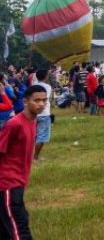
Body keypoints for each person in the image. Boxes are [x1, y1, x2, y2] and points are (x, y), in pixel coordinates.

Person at [0, 85, 47, 239]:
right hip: (7, 184)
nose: (41, 104)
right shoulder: (15, 124)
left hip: (19, 182)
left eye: (44, 100)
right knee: (20, 230)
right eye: (37, 100)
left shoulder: (32, 121)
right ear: (25, 101)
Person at [33, 70, 53, 162]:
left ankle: (31, 155)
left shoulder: (33, 86)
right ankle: (35, 157)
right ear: (45, 77)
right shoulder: (48, 87)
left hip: (33, 113)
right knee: (42, 136)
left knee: (34, 135)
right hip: (44, 113)